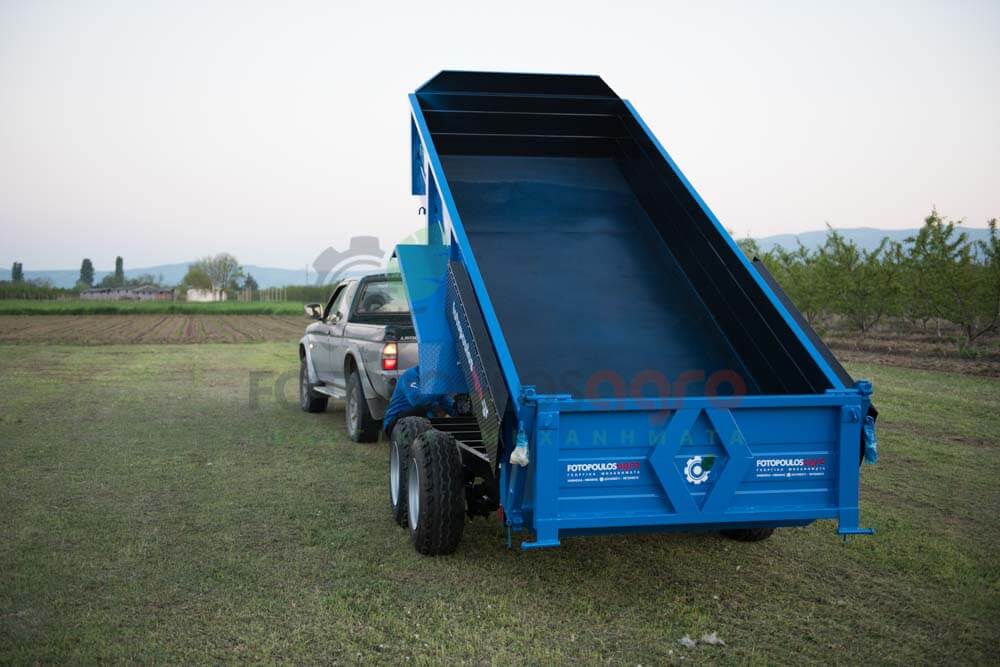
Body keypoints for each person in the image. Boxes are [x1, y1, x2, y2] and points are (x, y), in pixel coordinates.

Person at [383, 365, 453, 436]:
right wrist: (441, 390)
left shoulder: (435, 381)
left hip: (420, 421)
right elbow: (417, 400)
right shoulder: (409, 375)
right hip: (395, 423)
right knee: (421, 408)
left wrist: (458, 408)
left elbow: (448, 403)